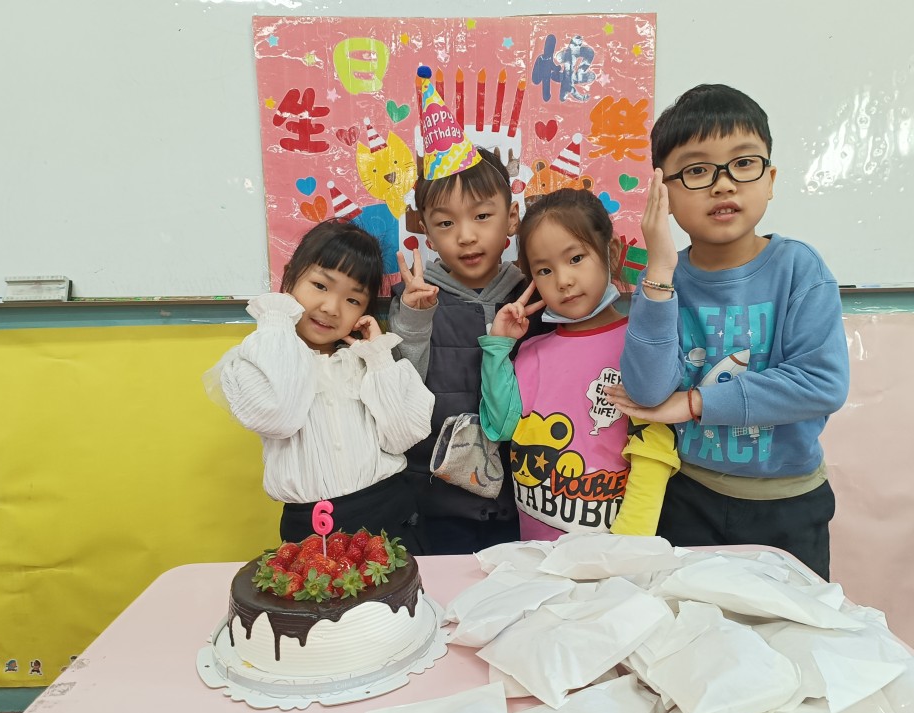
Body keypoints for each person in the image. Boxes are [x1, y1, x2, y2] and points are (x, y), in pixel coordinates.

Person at [606, 84, 850, 580]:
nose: (723, 185)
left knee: (784, 627)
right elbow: (649, 392)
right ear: (663, 193)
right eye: (697, 171)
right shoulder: (664, 280)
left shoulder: (799, 268)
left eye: (742, 163)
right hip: (688, 494)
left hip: (787, 503)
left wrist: (696, 403)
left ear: (770, 179)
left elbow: (822, 384)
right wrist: (659, 269)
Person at [387, 66, 548, 554]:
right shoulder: (414, 300)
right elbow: (399, 399)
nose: (466, 235)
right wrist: (414, 322)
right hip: (437, 493)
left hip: (527, 491)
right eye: (445, 223)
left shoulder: (534, 294)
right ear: (425, 230)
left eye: (482, 215)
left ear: (511, 218)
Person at [204, 219, 435, 554]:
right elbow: (278, 414)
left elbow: (404, 435)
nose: (331, 308)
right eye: (320, 286)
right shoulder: (256, 360)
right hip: (308, 529)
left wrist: (379, 357)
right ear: (290, 276)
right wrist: (278, 315)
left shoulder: (366, 362)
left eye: (353, 300)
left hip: (390, 514)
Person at [479, 188, 679, 540]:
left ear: (611, 252)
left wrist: (627, 544)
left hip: (614, 553)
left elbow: (655, 448)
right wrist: (498, 347)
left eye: (576, 258)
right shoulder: (531, 352)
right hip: (535, 554)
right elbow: (500, 427)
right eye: (544, 269)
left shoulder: (641, 345)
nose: (563, 281)